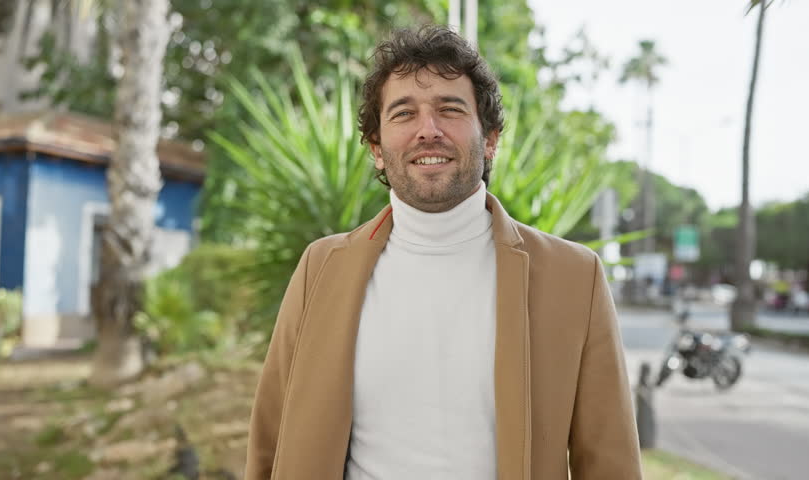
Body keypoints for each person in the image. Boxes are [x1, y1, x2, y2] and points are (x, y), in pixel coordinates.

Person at [245, 25, 641, 480]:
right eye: (403, 113)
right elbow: (270, 440)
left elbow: (609, 461)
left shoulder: (573, 276)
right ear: (376, 148)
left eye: (449, 109)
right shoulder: (322, 267)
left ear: (489, 139)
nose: (427, 131)